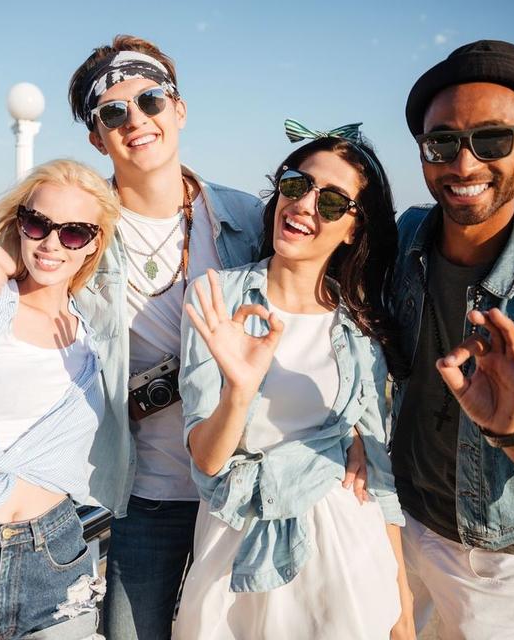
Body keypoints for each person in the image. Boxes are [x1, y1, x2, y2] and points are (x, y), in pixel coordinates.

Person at [173, 121, 415, 640]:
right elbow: (207, 459)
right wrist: (239, 391)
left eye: (332, 201)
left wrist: (403, 600)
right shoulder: (216, 298)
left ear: (353, 229)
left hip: (345, 554)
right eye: (296, 184)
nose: (305, 205)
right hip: (234, 549)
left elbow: (378, 473)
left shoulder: (360, 329)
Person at [66, 35, 266, 640]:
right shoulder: (75, 230)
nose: (136, 120)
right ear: (97, 137)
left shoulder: (249, 218)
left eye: (151, 100)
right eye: (113, 113)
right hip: (145, 494)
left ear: (178, 109)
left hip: (243, 488)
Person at [390, 40, 514, 639]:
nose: (463, 165)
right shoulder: (406, 236)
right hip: (396, 514)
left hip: (496, 557)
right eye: (442, 142)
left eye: (491, 140)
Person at [0, 159, 120, 639]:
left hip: (55, 555)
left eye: (73, 232)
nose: (51, 243)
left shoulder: (97, 338)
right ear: (19, 224)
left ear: (94, 242)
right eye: (37, 223)